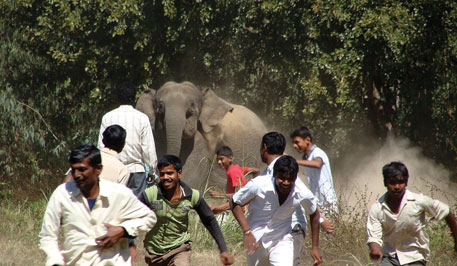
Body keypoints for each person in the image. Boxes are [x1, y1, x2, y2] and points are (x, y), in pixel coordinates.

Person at [39, 144, 157, 266]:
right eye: (73, 170)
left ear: (98, 169)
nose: (76, 175)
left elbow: (149, 217)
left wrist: (123, 230)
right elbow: (48, 236)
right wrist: (56, 261)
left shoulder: (118, 194)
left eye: (82, 169)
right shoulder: (62, 194)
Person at [138, 155, 234, 266]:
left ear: (179, 173)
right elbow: (132, 215)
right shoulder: (150, 194)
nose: (165, 177)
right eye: (162, 174)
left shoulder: (192, 196)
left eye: (169, 173)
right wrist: (130, 244)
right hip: (154, 253)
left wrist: (223, 250)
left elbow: (209, 220)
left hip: (179, 249)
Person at [231, 155, 323, 266]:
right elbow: (235, 202)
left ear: (295, 177)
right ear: (274, 174)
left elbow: (314, 213)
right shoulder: (258, 185)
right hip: (255, 239)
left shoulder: (302, 192)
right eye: (282, 178)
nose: (286, 182)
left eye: (290, 179)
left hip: (281, 240)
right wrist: (247, 232)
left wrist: (315, 247)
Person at [367, 161, 457, 266]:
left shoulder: (418, 201)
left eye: (400, 182)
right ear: (385, 183)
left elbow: (445, 211)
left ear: (406, 182)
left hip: (415, 256)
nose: (397, 186)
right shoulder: (377, 207)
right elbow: (373, 235)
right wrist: (375, 249)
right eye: (392, 182)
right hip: (390, 257)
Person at [98, 81, 157, 197]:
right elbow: (148, 150)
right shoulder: (142, 118)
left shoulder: (107, 117)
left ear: (117, 97)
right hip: (136, 173)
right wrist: (152, 171)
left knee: (113, 207)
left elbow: (101, 147)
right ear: (135, 97)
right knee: (135, 209)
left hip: (112, 171)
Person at [290, 126, 338, 220]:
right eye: (293, 143)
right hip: (318, 203)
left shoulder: (317, 152)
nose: (294, 146)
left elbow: (317, 163)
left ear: (307, 139)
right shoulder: (308, 156)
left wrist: (295, 161)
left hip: (327, 203)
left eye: (297, 142)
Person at [209, 145, 259, 214]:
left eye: (221, 159)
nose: (219, 162)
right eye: (218, 159)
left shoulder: (233, 171)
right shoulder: (236, 168)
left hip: (240, 210)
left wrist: (219, 195)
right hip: (237, 207)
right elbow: (256, 171)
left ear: (230, 158)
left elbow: (240, 195)